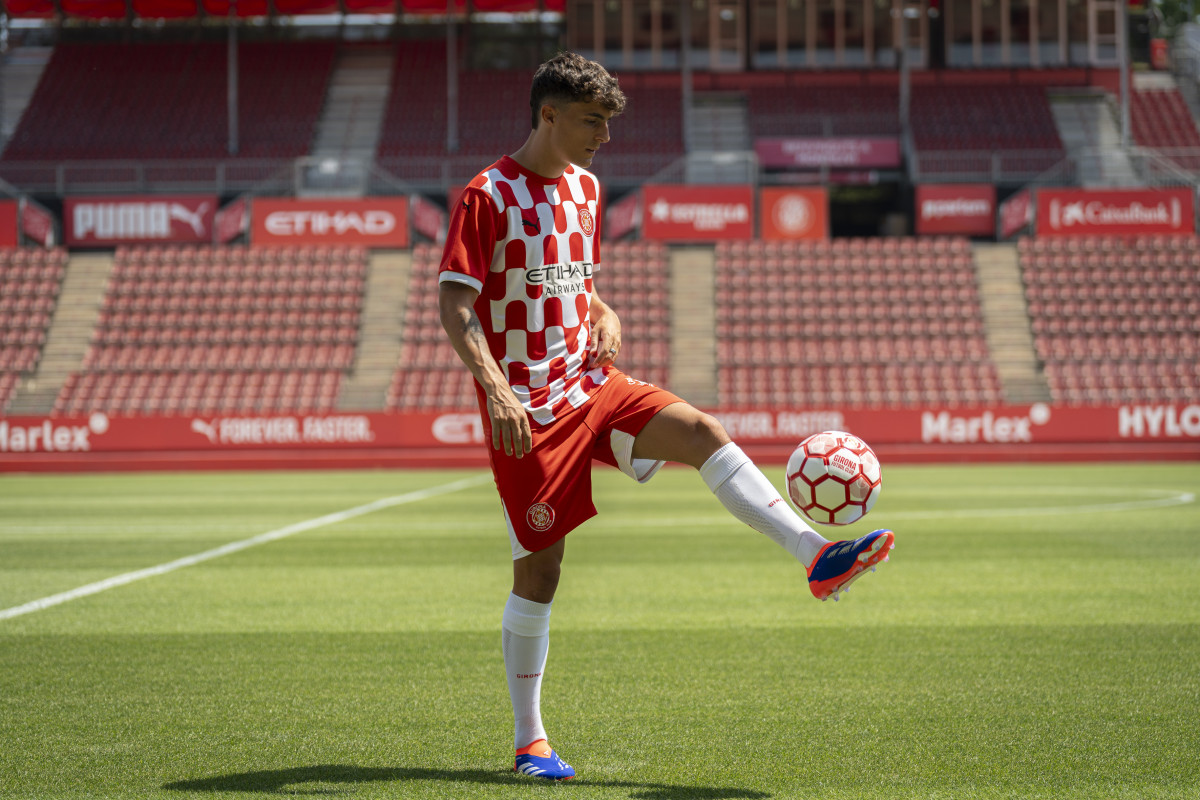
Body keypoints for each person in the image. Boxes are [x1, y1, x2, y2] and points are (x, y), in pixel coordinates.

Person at [438, 51, 894, 782]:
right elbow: (455, 304)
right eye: (592, 122)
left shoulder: (586, 189)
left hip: (591, 383)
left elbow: (576, 284)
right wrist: (495, 391)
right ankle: (531, 742)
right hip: (529, 405)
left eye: (608, 124)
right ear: (548, 114)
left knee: (702, 432)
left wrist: (604, 309)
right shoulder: (486, 195)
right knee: (541, 573)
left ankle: (817, 557)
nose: (603, 138)